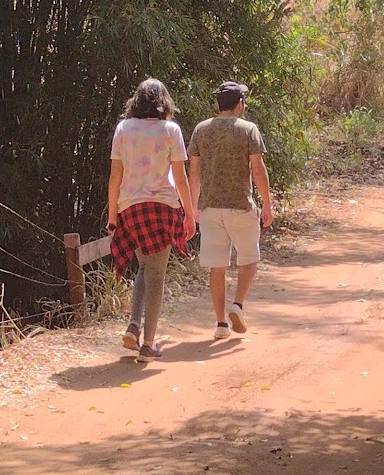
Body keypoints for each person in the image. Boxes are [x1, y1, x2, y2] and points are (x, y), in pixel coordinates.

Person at [108, 77, 196, 362]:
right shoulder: (171, 130)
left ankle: (134, 326)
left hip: (130, 208)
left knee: (144, 267)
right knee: (156, 274)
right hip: (162, 207)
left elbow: (115, 177)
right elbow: (180, 177)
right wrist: (189, 213)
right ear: (164, 103)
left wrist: (113, 216)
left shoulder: (123, 128)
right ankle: (148, 343)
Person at [188, 80, 273, 340]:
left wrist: (193, 208)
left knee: (217, 266)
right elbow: (257, 169)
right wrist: (267, 204)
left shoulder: (201, 130)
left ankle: (220, 324)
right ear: (240, 104)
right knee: (249, 258)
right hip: (240, 205)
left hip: (210, 208)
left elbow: (194, 173)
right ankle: (237, 305)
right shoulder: (248, 130)